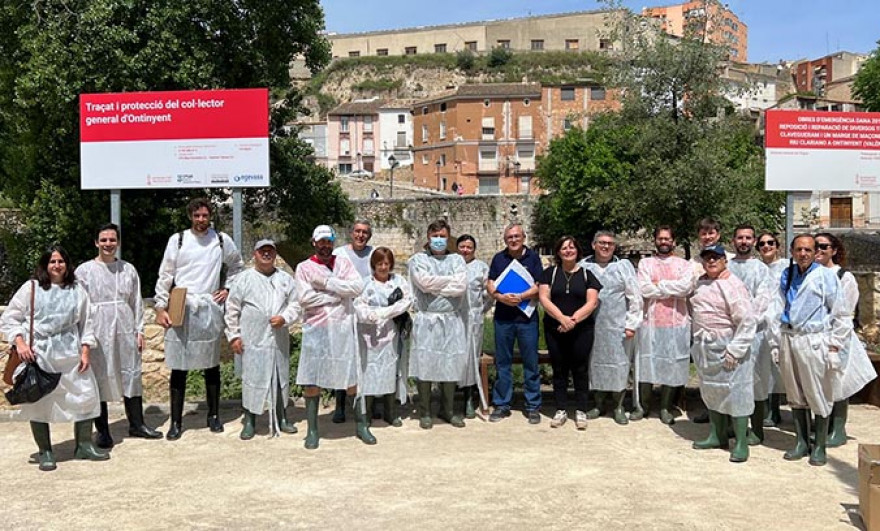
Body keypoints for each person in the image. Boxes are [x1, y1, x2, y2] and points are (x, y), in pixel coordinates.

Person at [1, 246, 107, 471]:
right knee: (40, 401)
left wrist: (86, 349)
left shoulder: (77, 289)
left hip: (71, 352)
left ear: (67, 265)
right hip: (41, 354)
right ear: (45, 265)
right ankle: (45, 451)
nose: (57, 266)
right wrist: (20, 342)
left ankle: (84, 445)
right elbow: (10, 317)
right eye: (52, 262)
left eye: (60, 261)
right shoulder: (31, 288)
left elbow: (87, 321)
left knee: (85, 396)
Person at [154, 198, 244, 440]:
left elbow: (236, 265)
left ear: (210, 216)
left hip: (208, 305)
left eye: (205, 216)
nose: (201, 220)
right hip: (180, 303)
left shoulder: (221, 240)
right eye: (197, 216)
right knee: (178, 366)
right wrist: (161, 306)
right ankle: (176, 421)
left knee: (211, 364)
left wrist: (227, 288)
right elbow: (166, 273)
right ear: (190, 217)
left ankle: (213, 416)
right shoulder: (178, 240)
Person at [75, 223, 161, 448]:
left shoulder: (128, 269)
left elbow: (136, 302)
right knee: (100, 376)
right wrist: (84, 334)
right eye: (103, 240)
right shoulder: (84, 271)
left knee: (130, 373)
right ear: (96, 242)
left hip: (124, 326)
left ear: (118, 242)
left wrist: (139, 329)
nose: (108, 244)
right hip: (98, 328)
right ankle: (102, 430)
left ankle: (137, 423)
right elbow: (79, 304)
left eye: (112, 240)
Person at [772, 234, 850, 466]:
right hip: (789, 336)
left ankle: (820, 446)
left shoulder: (826, 277)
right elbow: (777, 306)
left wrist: (835, 346)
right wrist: (775, 342)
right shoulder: (787, 275)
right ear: (792, 251)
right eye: (798, 250)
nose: (803, 254)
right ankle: (801, 442)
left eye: (807, 250)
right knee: (795, 393)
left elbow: (841, 313)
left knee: (818, 392)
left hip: (814, 340)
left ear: (815, 251)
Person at [295, 225, 365, 449]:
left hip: (344, 328)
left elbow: (357, 287)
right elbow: (305, 299)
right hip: (317, 330)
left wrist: (326, 284)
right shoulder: (304, 268)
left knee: (351, 377)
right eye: (321, 241)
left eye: (329, 241)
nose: (325, 245)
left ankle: (361, 425)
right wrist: (336, 297)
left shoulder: (343, 262)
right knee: (313, 379)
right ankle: (313, 429)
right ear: (313, 242)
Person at [225, 239, 301, 440]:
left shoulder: (285, 279)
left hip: (278, 338)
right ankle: (250, 420)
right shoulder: (243, 279)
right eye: (262, 251)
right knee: (252, 378)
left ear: (275, 254)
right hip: (253, 338)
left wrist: (284, 318)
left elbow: (295, 304)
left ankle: (282, 417)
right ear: (255, 254)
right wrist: (234, 336)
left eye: (270, 251)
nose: (266, 254)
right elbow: (232, 308)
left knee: (280, 378)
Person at [689, 244, 758, 463]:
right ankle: (716, 435)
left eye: (716, 257)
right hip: (705, 346)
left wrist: (736, 349)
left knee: (737, 395)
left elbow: (747, 320)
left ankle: (740, 442)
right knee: (712, 392)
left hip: (728, 345)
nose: (711, 261)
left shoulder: (733, 285)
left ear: (724, 260)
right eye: (707, 258)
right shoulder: (701, 283)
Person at [814, 232, 876, 447]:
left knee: (837, 382)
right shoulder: (811, 274)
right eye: (815, 246)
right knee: (820, 381)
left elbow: (845, 311)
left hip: (837, 336)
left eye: (823, 246)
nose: (818, 250)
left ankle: (838, 428)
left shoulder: (844, 277)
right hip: (816, 336)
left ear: (834, 250)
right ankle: (824, 423)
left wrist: (834, 339)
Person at [408, 219, 468, 429]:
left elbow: (460, 286)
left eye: (443, 236)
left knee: (449, 363)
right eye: (435, 236)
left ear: (448, 237)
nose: (439, 240)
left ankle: (448, 409)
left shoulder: (457, 260)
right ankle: (425, 410)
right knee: (425, 363)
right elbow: (423, 283)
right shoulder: (417, 260)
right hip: (427, 319)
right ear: (428, 237)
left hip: (451, 319)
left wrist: (434, 285)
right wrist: (445, 282)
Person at [539, 236, 602, 430]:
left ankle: (581, 409)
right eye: (564, 248)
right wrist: (562, 319)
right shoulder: (549, 273)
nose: (568, 251)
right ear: (558, 252)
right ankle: (561, 409)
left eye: (572, 247)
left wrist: (573, 320)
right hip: (555, 328)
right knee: (559, 369)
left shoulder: (587, 274)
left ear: (577, 251)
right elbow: (544, 298)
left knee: (580, 369)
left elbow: (592, 302)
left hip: (581, 329)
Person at [580, 231, 642, 425]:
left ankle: (618, 406)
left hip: (618, 326)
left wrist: (631, 324)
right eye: (602, 243)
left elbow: (635, 297)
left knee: (619, 367)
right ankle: (598, 404)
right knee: (595, 365)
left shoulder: (623, 267)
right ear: (593, 244)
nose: (606, 247)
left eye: (610, 244)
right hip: (591, 326)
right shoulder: (584, 266)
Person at [635, 226, 694, 425]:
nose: (663, 242)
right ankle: (643, 406)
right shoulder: (646, 263)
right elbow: (643, 289)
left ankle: (666, 408)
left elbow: (686, 288)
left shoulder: (683, 265)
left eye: (667, 238)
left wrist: (658, 285)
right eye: (660, 238)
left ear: (673, 241)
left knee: (672, 364)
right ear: (655, 241)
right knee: (646, 364)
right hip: (649, 322)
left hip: (676, 323)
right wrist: (671, 287)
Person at [486, 223, 544, 424]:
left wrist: (520, 296)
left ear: (524, 237)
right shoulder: (498, 259)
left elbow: (539, 286)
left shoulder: (534, 258)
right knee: (502, 363)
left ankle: (533, 405)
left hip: (526, 320)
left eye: (517, 236)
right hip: (503, 319)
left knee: (531, 363)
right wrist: (500, 297)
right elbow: (490, 282)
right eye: (509, 237)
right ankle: (502, 404)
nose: (513, 240)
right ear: (505, 240)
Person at [353, 247, 412, 429]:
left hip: (391, 333)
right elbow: (359, 306)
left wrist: (384, 313)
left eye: (386, 264)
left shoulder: (398, 282)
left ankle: (390, 411)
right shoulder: (365, 284)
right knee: (368, 371)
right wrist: (371, 316)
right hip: (368, 334)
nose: (383, 267)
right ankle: (367, 411)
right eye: (379, 264)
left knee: (390, 370)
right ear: (374, 265)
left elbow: (407, 301)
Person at [726, 224, 774, 445]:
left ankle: (756, 428)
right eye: (739, 238)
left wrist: (745, 323)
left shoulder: (761, 269)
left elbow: (763, 301)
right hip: (728, 333)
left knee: (757, 381)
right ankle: (730, 426)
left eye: (748, 238)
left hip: (756, 334)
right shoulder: (725, 267)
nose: (744, 241)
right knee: (730, 380)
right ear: (733, 241)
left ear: (754, 241)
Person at [330, 219, 374, 423]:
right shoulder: (339, 254)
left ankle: (366, 404)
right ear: (351, 233)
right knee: (342, 357)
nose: (360, 235)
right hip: (344, 312)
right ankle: (340, 404)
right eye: (357, 231)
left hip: (368, 313)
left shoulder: (374, 254)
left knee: (367, 359)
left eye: (365, 232)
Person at [456, 234, 492, 419]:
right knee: (455, 356)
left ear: (474, 249)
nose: (465, 250)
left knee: (471, 358)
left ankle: (469, 399)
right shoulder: (452, 265)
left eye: (469, 247)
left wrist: (479, 311)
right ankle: (449, 398)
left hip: (473, 319)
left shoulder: (481, 268)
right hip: (453, 319)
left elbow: (489, 295)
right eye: (462, 246)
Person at [757, 232, 788, 426]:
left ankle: (777, 408)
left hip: (782, 320)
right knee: (764, 367)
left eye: (770, 243)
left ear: (777, 246)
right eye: (762, 244)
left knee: (781, 368)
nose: (766, 246)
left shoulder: (787, 266)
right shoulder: (757, 268)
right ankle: (768, 410)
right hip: (761, 321)